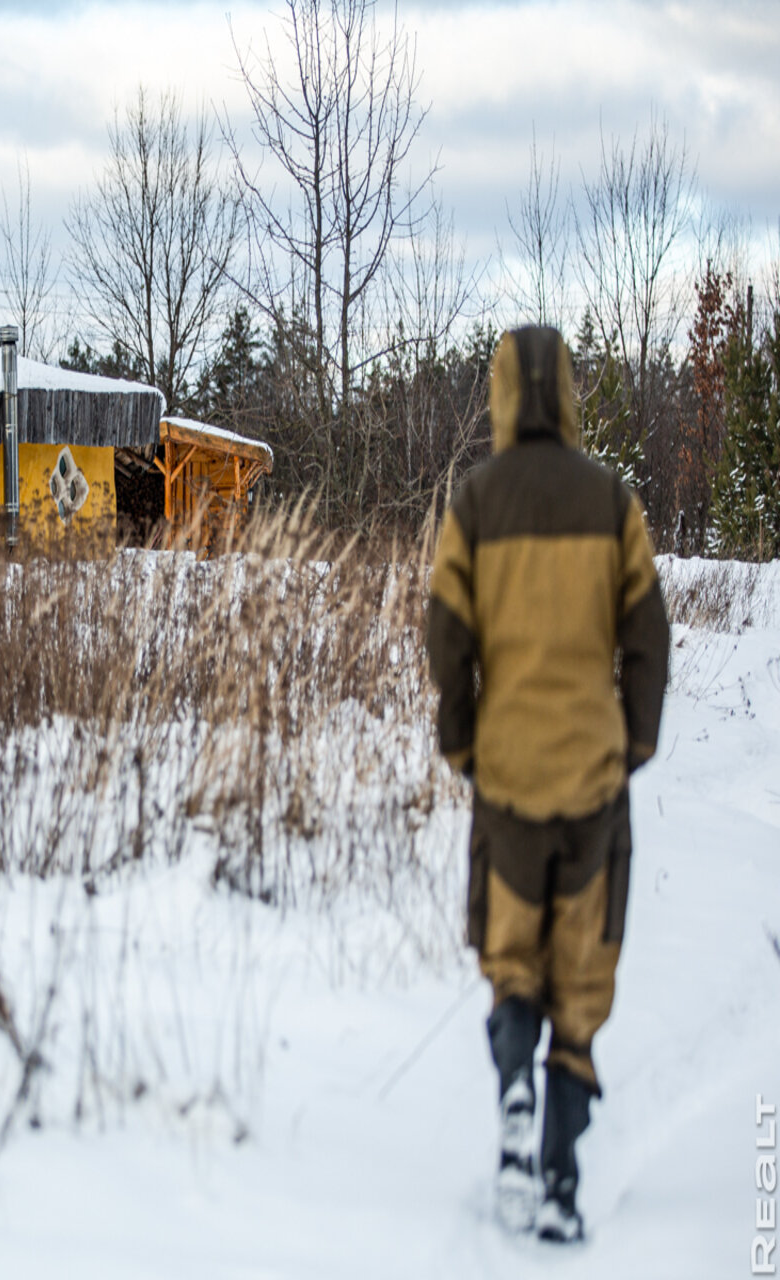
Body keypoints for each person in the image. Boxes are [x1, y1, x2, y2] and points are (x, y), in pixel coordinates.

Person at [426, 326, 669, 1242]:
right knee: (581, 977)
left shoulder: (477, 503)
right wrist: (633, 740)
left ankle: (514, 1089)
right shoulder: (613, 500)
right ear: (566, 394)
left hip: (510, 780)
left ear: (498, 397)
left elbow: (446, 630)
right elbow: (649, 632)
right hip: (595, 784)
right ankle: (563, 1186)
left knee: (510, 958)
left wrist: (464, 742)